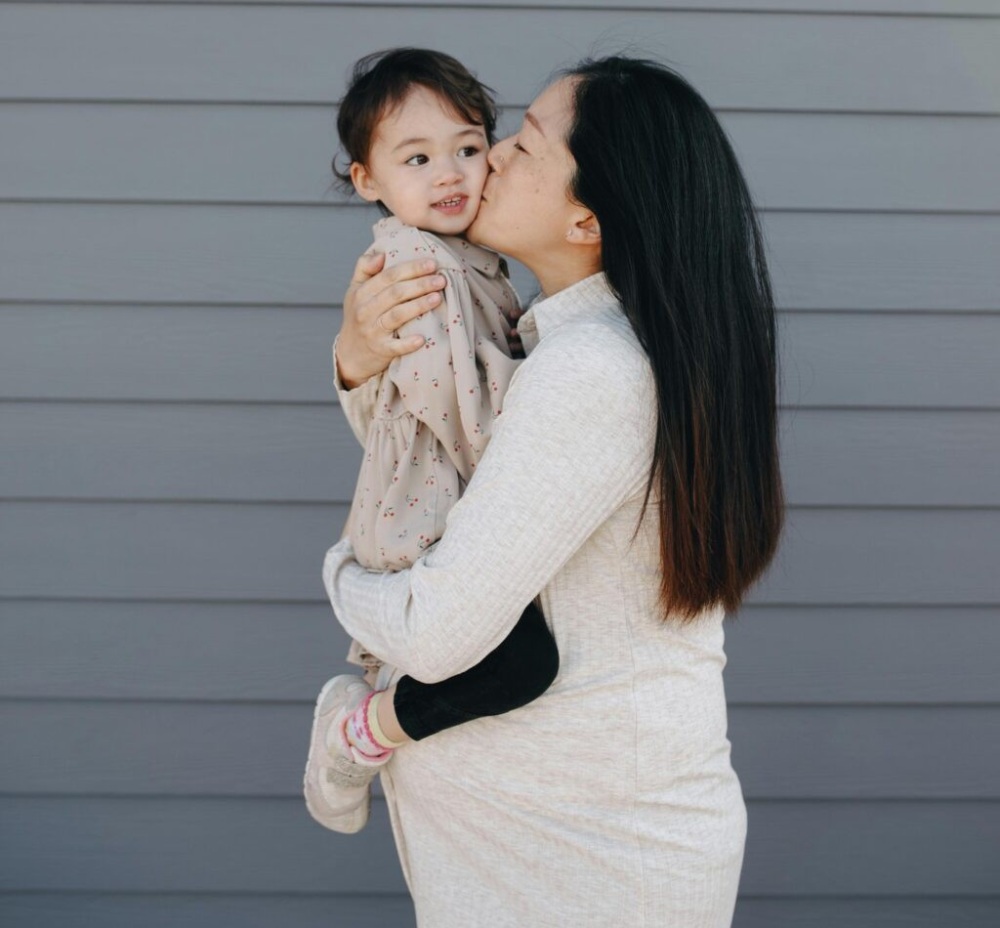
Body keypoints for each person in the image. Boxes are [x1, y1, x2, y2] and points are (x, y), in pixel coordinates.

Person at [324, 55, 785, 927]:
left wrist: (339, 575)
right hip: (548, 838)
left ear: (586, 216)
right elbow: (438, 465)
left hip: (573, 861)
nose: (487, 157)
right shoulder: (579, 342)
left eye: (523, 145)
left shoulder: (590, 370)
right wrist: (358, 360)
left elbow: (435, 632)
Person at [303, 48, 559, 836]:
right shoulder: (419, 266)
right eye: (417, 157)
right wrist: (550, 416)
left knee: (512, 661)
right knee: (518, 665)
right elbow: (448, 404)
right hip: (421, 513)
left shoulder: (473, 260)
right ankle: (356, 732)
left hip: (434, 502)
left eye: (469, 147)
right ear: (367, 179)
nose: (450, 173)